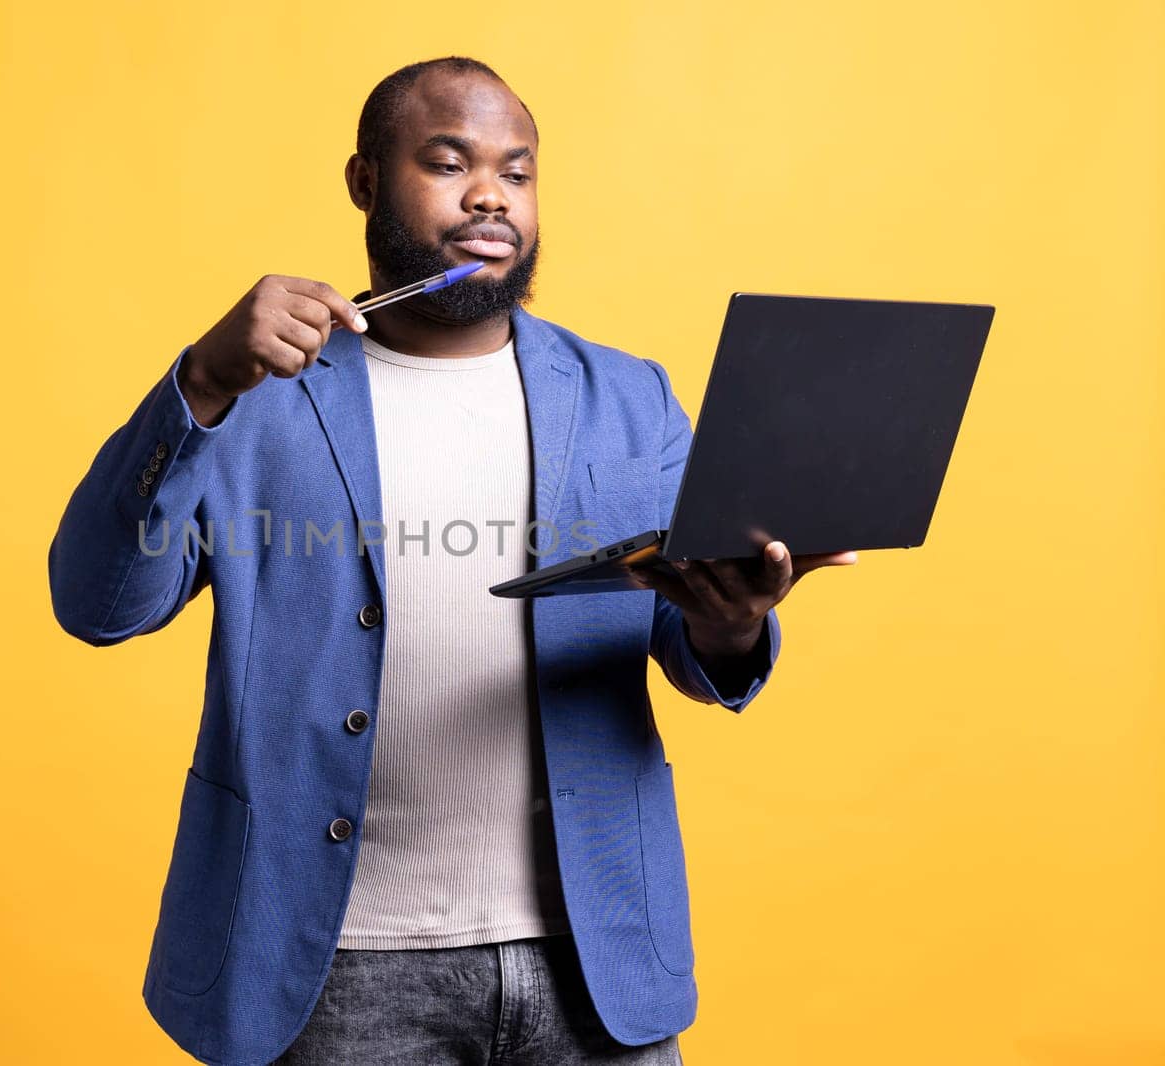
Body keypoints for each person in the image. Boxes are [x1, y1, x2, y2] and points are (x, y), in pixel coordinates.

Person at [48, 56, 855, 1066]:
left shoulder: (629, 397)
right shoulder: (254, 395)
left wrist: (730, 621)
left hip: (590, 964)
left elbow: (691, 646)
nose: (489, 194)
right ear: (364, 182)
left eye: (516, 173)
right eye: (448, 162)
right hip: (326, 970)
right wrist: (203, 379)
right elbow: (96, 600)